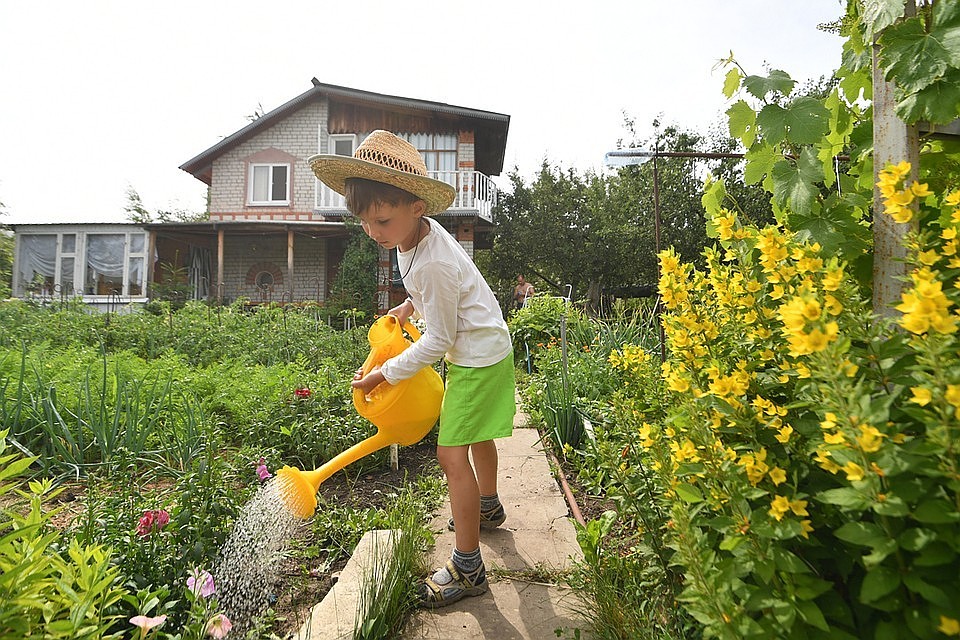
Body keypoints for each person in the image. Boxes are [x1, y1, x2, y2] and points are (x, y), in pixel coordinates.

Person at [308, 130, 515, 608]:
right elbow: (433, 299)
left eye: (381, 219)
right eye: (364, 221)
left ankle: (468, 568)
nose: (374, 231)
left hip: (476, 358)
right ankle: (487, 504)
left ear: (417, 206)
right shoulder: (413, 239)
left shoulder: (432, 262)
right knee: (477, 433)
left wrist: (387, 373)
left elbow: (439, 338)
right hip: (486, 346)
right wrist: (406, 308)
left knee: (449, 455)